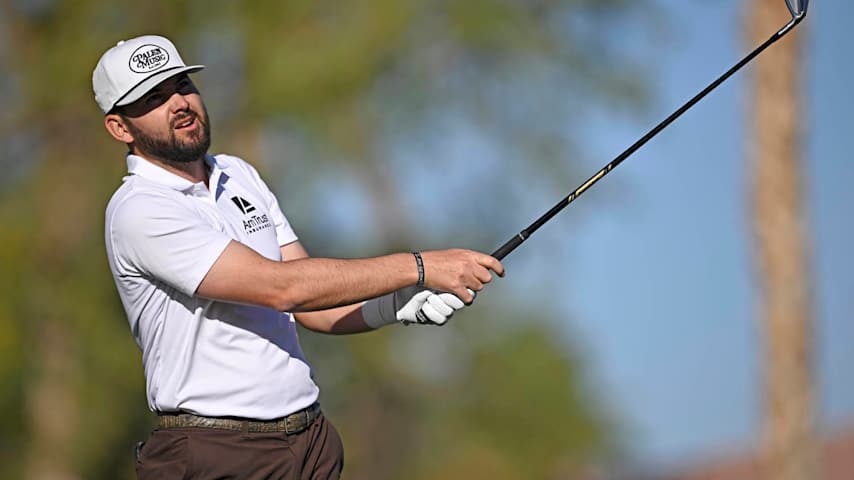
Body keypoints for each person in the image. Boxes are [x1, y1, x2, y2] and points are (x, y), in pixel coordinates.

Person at [93, 35, 503, 479]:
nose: (180, 102)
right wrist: (420, 265)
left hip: (310, 441)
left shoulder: (237, 174)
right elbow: (283, 288)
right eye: (154, 98)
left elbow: (315, 309)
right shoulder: (140, 209)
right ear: (120, 127)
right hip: (216, 454)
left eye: (182, 85)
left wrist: (397, 304)